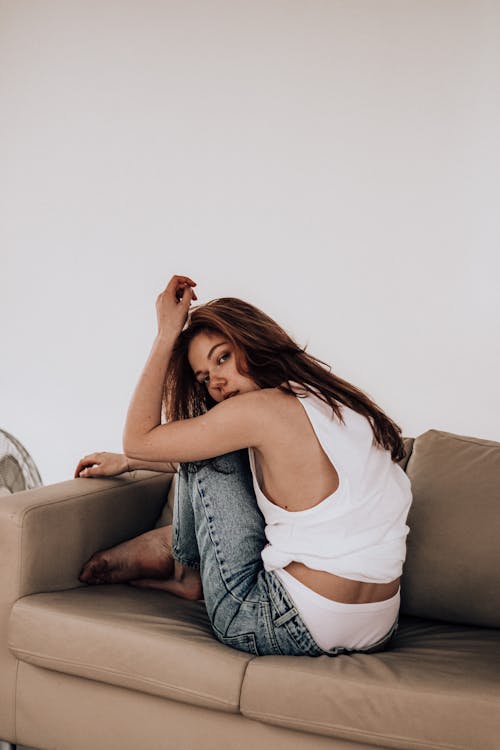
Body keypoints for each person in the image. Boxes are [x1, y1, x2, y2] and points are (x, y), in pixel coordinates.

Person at [75, 274, 412, 657]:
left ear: (251, 340)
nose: (216, 383)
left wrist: (166, 334)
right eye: (204, 378)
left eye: (223, 357)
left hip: (285, 622)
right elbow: (168, 448)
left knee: (203, 448)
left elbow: (141, 436)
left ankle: (185, 570)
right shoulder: (335, 402)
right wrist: (129, 462)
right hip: (379, 626)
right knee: (209, 445)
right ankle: (175, 549)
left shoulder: (257, 410)